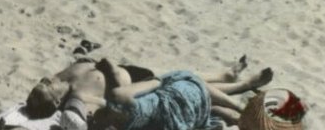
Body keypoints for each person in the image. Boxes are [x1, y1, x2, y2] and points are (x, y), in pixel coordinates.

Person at [25, 56, 271, 124]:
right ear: (56, 102)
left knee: (181, 77)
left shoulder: (59, 77)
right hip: (136, 87)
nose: (45, 82)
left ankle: (226, 77)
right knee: (183, 81)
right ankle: (240, 84)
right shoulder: (77, 97)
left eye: (42, 83)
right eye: (43, 91)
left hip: (131, 70)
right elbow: (116, 100)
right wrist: (112, 72)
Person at [88, 58, 273, 130]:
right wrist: (158, 82)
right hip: (169, 101)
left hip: (174, 109)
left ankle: (232, 81)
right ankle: (237, 85)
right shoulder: (119, 105)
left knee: (184, 86)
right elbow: (119, 93)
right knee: (183, 82)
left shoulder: (119, 112)